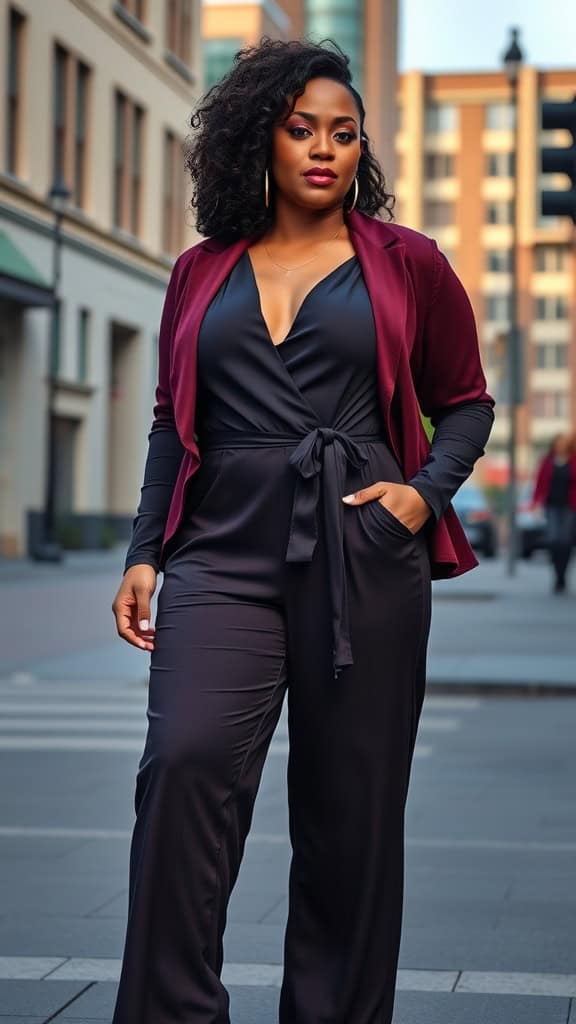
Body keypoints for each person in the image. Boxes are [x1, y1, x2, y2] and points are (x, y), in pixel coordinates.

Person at [110, 38, 495, 1024]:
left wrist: (421, 495)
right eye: (301, 129)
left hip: (363, 553)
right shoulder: (200, 270)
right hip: (221, 552)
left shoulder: (408, 263)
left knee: (349, 820)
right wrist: (145, 549)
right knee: (185, 766)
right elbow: (170, 416)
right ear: (259, 140)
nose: (323, 149)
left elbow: (467, 402)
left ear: (360, 148)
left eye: (343, 132)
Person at [532, 432, 576, 593]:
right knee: (553, 540)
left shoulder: (573, 460)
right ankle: (557, 573)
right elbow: (540, 482)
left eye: (563, 443)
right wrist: (535, 502)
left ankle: (562, 576)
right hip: (551, 506)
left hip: (570, 506)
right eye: (558, 443)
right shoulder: (548, 462)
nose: (561, 446)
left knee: (565, 541)